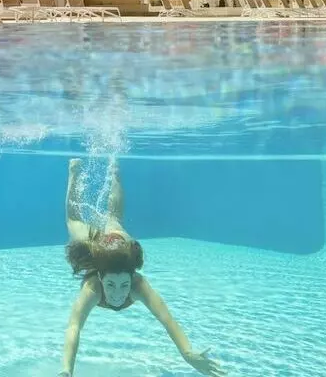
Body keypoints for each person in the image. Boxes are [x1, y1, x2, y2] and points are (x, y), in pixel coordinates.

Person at [58, 158, 225, 377]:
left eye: (124, 285)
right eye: (111, 285)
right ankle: (74, 171)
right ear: (99, 277)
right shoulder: (92, 288)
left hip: (119, 242)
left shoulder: (139, 285)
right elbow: (74, 326)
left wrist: (187, 353)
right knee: (73, 222)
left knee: (114, 220)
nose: (118, 294)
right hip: (105, 250)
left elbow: (166, 319)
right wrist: (66, 371)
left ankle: (115, 169)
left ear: (133, 278)